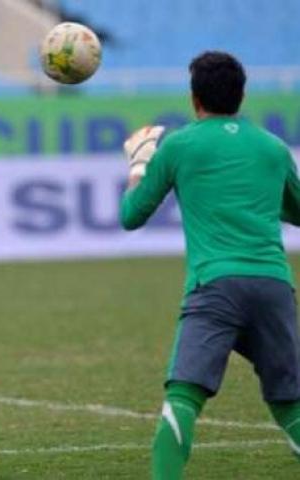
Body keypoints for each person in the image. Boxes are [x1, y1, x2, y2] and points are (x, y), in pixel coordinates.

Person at [120, 51, 300, 479]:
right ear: (241, 95)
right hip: (273, 285)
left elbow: (131, 215)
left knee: (183, 394)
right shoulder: (272, 148)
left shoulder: (181, 145)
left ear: (193, 97)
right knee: (289, 401)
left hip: (215, 285)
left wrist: (140, 163)